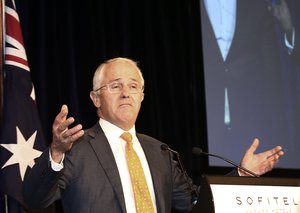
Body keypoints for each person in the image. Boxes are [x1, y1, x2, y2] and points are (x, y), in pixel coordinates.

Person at [22, 57, 284, 213]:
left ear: (142, 96)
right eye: (115, 86)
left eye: (133, 86)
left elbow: (196, 204)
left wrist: (241, 175)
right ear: (95, 98)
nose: (126, 92)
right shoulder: (75, 149)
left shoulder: (159, 151)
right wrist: (55, 153)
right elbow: (35, 199)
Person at [200, 0, 294, 165]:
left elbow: (273, 71)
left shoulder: (256, 6)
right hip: (208, 128)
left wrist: (279, 132)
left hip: (251, 126)